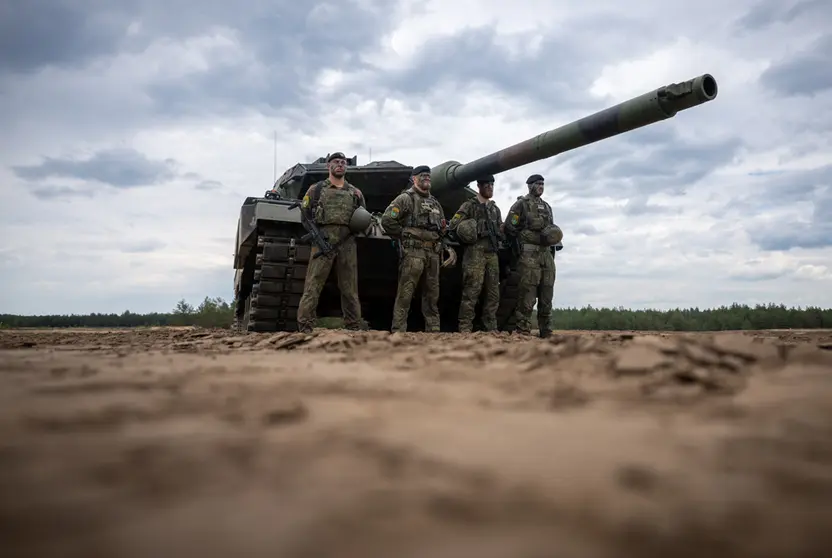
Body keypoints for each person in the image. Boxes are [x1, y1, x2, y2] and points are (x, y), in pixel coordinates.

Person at [296, 152, 367, 332]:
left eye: (343, 162)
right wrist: (316, 235)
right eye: (336, 162)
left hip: (347, 241)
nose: (340, 165)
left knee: (349, 287)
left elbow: (362, 216)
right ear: (329, 166)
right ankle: (305, 325)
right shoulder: (316, 189)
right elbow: (305, 215)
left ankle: (353, 326)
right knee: (313, 285)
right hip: (323, 240)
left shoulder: (355, 192)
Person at [381, 165, 447, 333]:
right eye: (422, 175)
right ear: (414, 179)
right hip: (413, 253)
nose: (426, 178)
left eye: (428, 176)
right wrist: (404, 235)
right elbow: (388, 220)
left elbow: (442, 228)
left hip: (432, 254)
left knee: (432, 295)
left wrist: (442, 244)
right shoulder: (405, 199)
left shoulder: (435, 203)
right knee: (406, 292)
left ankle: (433, 330)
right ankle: (399, 329)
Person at [503, 173, 563, 338]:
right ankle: (523, 330)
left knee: (547, 293)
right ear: (530, 185)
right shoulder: (521, 205)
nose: (541, 186)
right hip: (528, 254)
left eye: (543, 184)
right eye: (538, 184)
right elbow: (510, 226)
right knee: (527, 294)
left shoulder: (547, 207)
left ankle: (546, 330)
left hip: (546, 254)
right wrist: (520, 242)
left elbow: (551, 229)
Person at [448, 175, 503, 333]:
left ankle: (490, 327)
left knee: (493, 293)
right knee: (472, 291)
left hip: (492, 253)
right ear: (479, 186)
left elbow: (500, 228)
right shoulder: (469, 206)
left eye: (492, 185)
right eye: (487, 185)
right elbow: (454, 224)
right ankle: (465, 327)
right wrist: (473, 228)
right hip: (474, 252)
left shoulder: (494, 209)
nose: (490, 187)